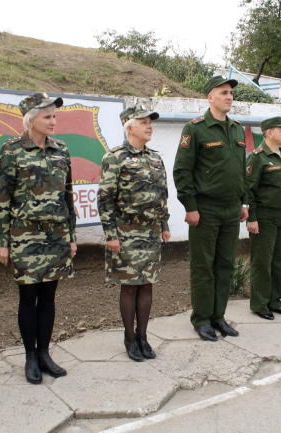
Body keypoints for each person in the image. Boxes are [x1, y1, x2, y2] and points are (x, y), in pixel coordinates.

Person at [0, 92, 77, 384]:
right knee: (28, 297)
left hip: (56, 235)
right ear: (31, 120)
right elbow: (3, 198)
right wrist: (2, 241)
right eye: (47, 117)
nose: (53, 121)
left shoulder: (61, 149)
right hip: (25, 236)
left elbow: (68, 195)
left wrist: (71, 236)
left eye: (54, 116)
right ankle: (30, 356)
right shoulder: (12, 150)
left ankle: (44, 353)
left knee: (49, 296)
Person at [173, 75, 249, 341]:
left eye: (231, 93)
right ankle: (202, 319)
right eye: (223, 92)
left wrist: (243, 202)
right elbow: (182, 170)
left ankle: (218, 316)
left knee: (225, 265)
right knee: (203, 266)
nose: (229, 97)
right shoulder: (195, 129)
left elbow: (241, 169)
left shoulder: (237, 129)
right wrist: (190, 206)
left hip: (232, 209)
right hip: (205, 209)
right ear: (210, 97)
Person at [97, 105, 170, 362]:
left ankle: (143, 336)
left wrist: (165, 225)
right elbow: (105, 199)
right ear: (129, 127)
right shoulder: (115, 157)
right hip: (126, 232)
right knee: (129, 287)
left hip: (150, 233)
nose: (149, 126)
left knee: (147, 285)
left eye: (150, 122)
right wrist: (111, 235)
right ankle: (129, 337)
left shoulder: (155, 158)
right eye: (144, 122)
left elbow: (162, 195)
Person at [246, 117, 281, 320]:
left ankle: (275, 301)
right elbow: (248, 190)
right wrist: (252, 218)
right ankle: (259, 304)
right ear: (269, 133)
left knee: (279, 261)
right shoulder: (257, 158)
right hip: (265, 217)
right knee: (262, 262)